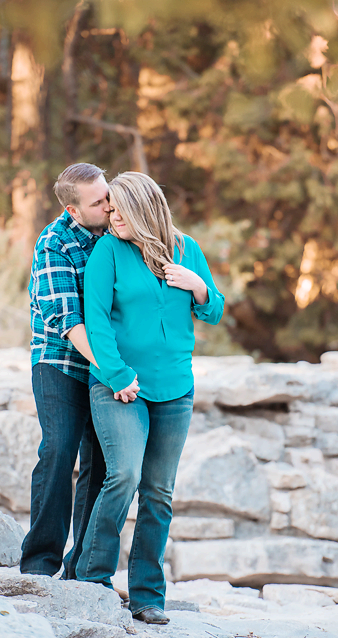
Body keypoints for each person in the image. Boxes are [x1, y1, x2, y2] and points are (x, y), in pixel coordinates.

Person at [76, 172, 224, 624]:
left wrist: (196, 285)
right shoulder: (108, 251)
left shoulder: (187, 249)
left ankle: (147, 597)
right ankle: (92, 580)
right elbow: (95, 319)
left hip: (175, 388)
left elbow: (214, 309)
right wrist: (117, 373)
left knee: (159, 492)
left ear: (142, 208)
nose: (111, 216)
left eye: (119, 208)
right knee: (124, 475)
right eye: (109, 207)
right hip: (119, 385)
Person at [22, 163, 128, 578]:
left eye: (108, 194)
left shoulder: (117, 231)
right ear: (73, 209)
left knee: (102, 463)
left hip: (106, 364)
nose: (108, 204)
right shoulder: (54, 242)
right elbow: (69, 322)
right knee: (58, 449)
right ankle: (39, 565)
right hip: (61, 360)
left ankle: (81, 568)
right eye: (98, 202)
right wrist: (113, 369)